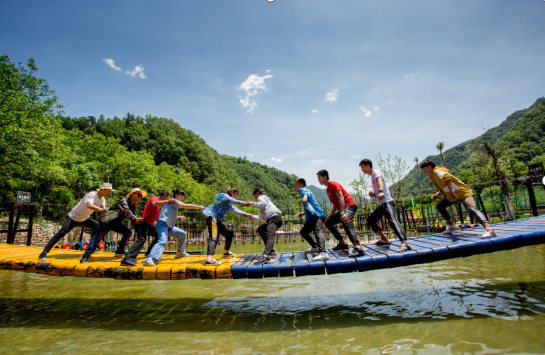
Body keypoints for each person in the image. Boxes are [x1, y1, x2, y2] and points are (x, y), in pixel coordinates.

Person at [420, 159, 497, 239]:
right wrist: (437, 194)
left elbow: (447, 178)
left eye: (424, 168)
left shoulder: (437, 171)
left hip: (463, 193)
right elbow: (443, 186)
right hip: (452, 196)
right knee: (440, 206)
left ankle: (489, 230)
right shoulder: (434, 175)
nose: (423, 171)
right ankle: (451, 225)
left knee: (471, 208)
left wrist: (452, 191)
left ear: (429, 167)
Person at [38, 183, 114, 261]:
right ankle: (44, 252)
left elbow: (103, 211)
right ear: (102, 189)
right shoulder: (92, 194)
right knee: (61, 233)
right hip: (73, 217)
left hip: (84, 218)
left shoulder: (102, 200)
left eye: (110, 191)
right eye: (108, 191)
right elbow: (89, 205)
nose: (109, 193)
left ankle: (91, 248)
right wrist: (101, 209)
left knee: (99, 227)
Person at [80, 188, 146, 263]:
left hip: (116, 223)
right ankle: (86, 256)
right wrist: (135, 219)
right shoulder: (123, 199)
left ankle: (120, 250)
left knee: (128, 232)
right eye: (139, 195)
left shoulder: (134, 206)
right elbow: (126, 211)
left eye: (141, 196)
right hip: (107, 220)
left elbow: (134, 218)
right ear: (132, 194)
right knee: (98, 236)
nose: (140, 197)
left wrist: (140, 221)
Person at [359, 159, 412, 252]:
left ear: (368, 165)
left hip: (387, 202)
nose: (362, 169)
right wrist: (374, 194)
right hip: (382, 204)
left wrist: (380, 192)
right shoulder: (371, 176)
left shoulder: (375, 172)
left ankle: (404, 243)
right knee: (371, 220)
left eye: (362, 167)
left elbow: (380, 181)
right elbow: (379, 190)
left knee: (392, 220)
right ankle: (384, 239)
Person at [143, 189, 204, 266]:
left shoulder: (172, 204)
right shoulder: (174, 201)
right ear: (176, 195)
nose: (183, 198)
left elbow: (169, 216)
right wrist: (197, 206)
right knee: (162, 241)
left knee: (182, 234)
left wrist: (179, 217)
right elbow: (184, 206)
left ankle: (180, 252)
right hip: (162, 225)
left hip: (168, 226)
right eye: (182, 196)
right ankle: (149, 258)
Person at [120, 190, 178, 266]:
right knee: (141, 239)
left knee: (158, 235)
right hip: (142, 223)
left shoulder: (158, 206)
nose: (167, 200)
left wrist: (176, 217)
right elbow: (154, 204)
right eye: (166, 198)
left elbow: (158, 218)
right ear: (164, 196)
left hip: (149, 225)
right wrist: (168, 201)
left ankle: (148, 253)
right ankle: (127, 259)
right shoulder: (155, 199)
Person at [317, 170, 365, 257]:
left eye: (319, 178)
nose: (318, 180)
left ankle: (358, 248)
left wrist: (342, 213)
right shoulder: (328, 189)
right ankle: (343, 243)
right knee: (328, 222)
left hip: (350, 206)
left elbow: (341, 197)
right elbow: (336, 203)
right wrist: (332, 213)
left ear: (325, 177)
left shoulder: (333, 184)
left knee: (345, 221)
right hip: (343, 209)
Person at [202, 187, 250, 265]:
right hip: (213, 219)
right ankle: (209, 260)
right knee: (214, 237)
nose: (235, 197)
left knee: (229, 233)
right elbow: (235, 201)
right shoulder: (225, 196)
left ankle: (226, 252)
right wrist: (245, 203)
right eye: (235, 195)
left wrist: (246, 214)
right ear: (231, 192)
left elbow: (235, 210)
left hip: (217, 221)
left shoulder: (228, 204)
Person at [295, 178, 329, 261]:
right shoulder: (305, 191)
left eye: (296, 185)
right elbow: (310, 206)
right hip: (312, 216)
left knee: (317, 231)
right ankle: (315, 247)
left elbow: (306, 194)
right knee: (304, 232)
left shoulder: (303, 190)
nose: (295, 187)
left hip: (318, 215)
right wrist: (303, 213)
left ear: (301, 185)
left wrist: (305, 198)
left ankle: (323, 252)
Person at [246, 188, 283, 264]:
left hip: (273, 218)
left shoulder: (261, 197)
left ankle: (266, 256)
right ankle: (271, 250)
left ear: (257, 194)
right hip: (274, 219)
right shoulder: (264, 203)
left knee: (270, 235)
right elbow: (260, 217)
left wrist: (251, 204)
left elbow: (263, 204)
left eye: (254, 197)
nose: (255, 199)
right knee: (261, 229)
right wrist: (251, 216)